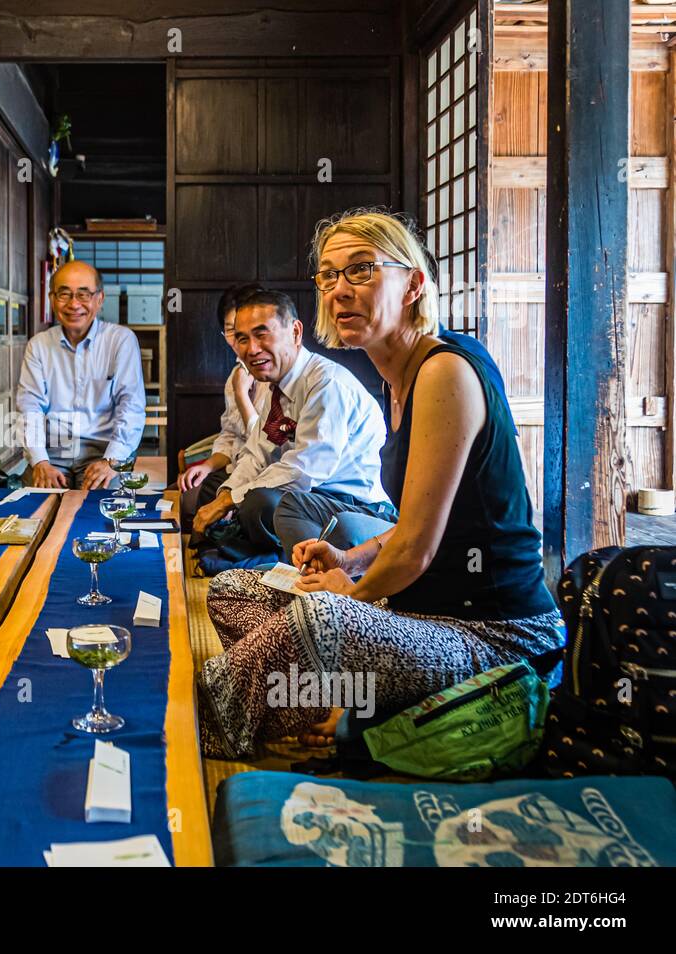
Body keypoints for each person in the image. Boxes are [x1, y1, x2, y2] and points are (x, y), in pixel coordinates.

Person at [197, 208, 563, 758]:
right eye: (328, 275)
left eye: (362, 270)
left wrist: (353, 598)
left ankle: (211, 720)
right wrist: (349, 562)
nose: (340, 290)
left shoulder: (444, 370)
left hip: (496, 638)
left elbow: (416, 547)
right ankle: (346, 711)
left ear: (414, 284)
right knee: (236, 590)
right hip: (420, 615)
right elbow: (411, 526)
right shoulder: (397, 379)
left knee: (317, 614)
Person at [188, 285, 394, 566]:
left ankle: (264, 560)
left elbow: (304, 469)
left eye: (262, 334)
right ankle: (257, 557)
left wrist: (229, 502)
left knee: (262, 502)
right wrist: (225, 494)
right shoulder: (277, 389)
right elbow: (255, 454)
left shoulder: (325, 384)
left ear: (295, 332)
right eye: (242, 339)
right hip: (312, 497)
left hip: (356, 504)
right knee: (232, 493)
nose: (252, 349)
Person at [15, 260, 146, 490]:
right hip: (53, 449)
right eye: (64, 294)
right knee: (35, 508)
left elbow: (131, 407)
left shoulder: (121, 341)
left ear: (100, 299)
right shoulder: (38, 345)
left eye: (83, 295)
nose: (74, 304)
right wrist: (40, 461)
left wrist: (111, 461)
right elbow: (30, 407)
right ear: (52, 299)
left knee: (102, 509)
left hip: (103, 448)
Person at [176, 285, 260, 529]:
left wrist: (242, 394)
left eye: (248, 331)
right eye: (231, 331)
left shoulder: (270, 375)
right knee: (187, 496)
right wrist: (206, 465)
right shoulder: (236, 374)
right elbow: (231, 435)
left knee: (203, 506)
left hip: (261, 474)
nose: (238, 341)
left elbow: (264, 447)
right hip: (237, 468)